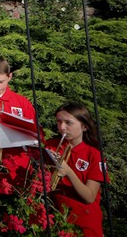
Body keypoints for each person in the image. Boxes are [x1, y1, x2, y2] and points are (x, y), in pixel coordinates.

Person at [47, 102, 107, 237]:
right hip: (56, 218)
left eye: (68, 123)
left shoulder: (94, 155)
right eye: (59, 121)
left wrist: (68, 173)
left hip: (84, 223)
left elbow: (90, 197)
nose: (62, 127)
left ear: (84, 126)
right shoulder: (51, 145)